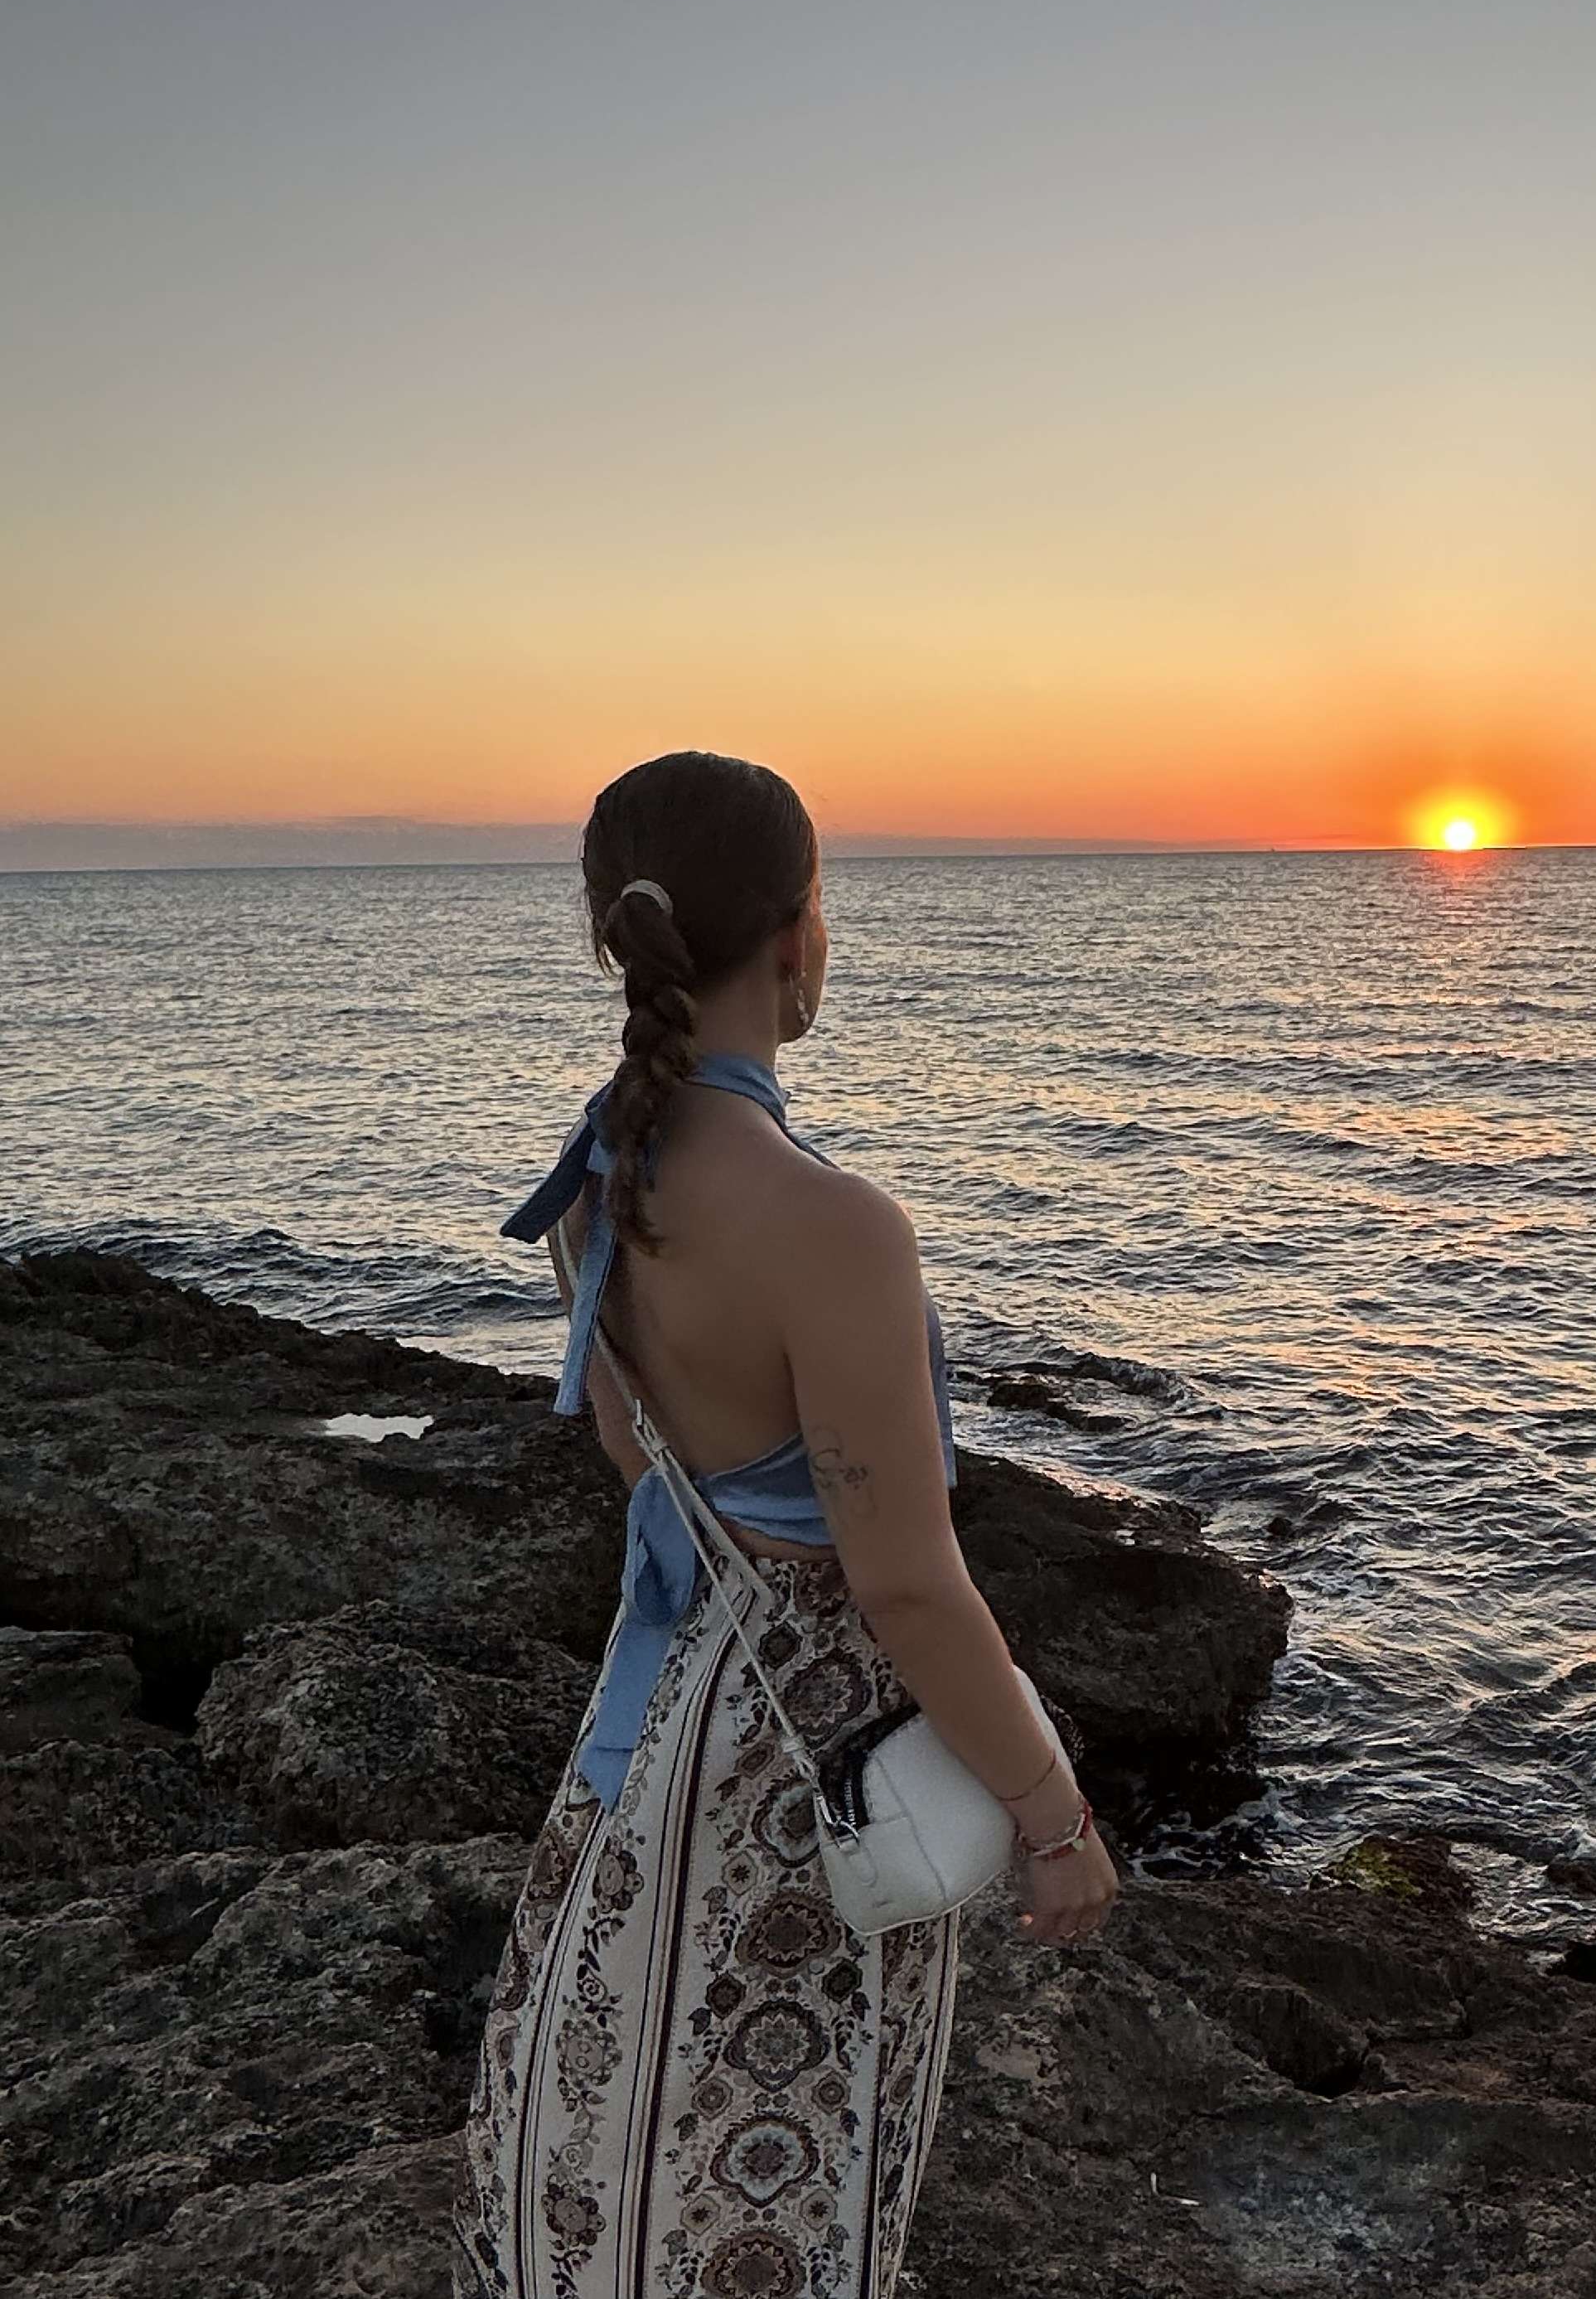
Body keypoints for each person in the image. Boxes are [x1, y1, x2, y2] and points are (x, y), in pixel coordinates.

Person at [452, 748, 1117, 2299]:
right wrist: (1057, 1820)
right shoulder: (836, 1227)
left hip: (669, 1716)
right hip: (812, 1763)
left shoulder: (594, 1178)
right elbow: (906, 1583)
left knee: (631, 2115)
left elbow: (637, 1459)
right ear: (801, 930)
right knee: (791, 2139)